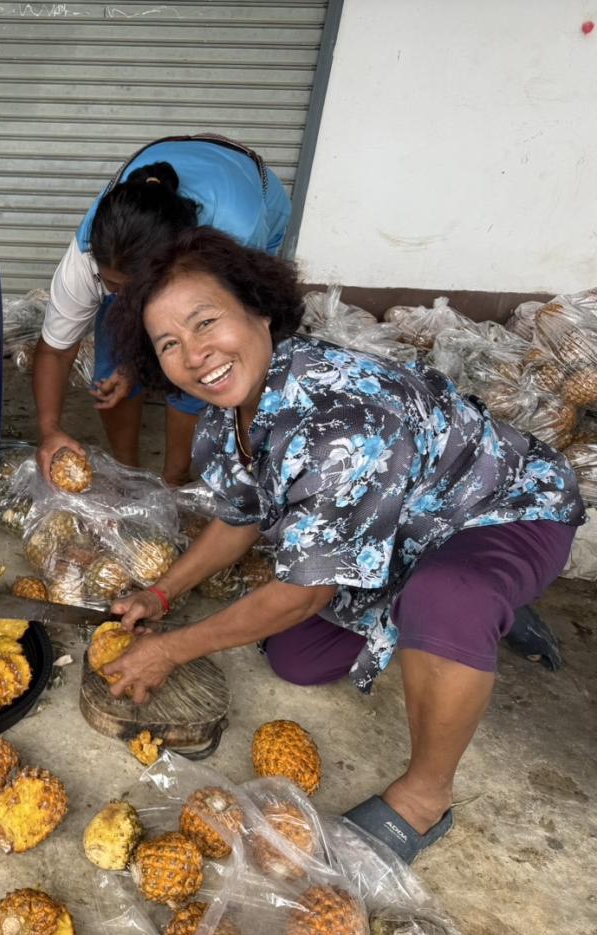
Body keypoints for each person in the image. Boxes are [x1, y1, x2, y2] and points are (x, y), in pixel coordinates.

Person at [99, 229, 584, 863]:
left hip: (499, 513)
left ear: (259, 310)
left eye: (206, 322)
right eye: (169, 343)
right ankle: (467, 612)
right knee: (297, 659)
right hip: (401, 532)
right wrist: (162, 593)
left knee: (448, 596)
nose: (195, 354)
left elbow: (303, 594)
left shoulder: (342, 421)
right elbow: (242, 517)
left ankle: (425, 796)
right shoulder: (229, 410)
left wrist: (171, 649)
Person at [35, 135, 291, 487]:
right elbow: (55, 350)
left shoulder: (234, 237)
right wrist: (50, 430)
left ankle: (175, 476)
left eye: (139, 292)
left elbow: (241, 337)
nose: (127, 301)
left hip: (249, 192)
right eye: (114, 286)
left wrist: (147, 362)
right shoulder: (91, 255)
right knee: (111, 362)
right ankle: (129, 475)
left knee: (202, 360)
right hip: (159, 211)